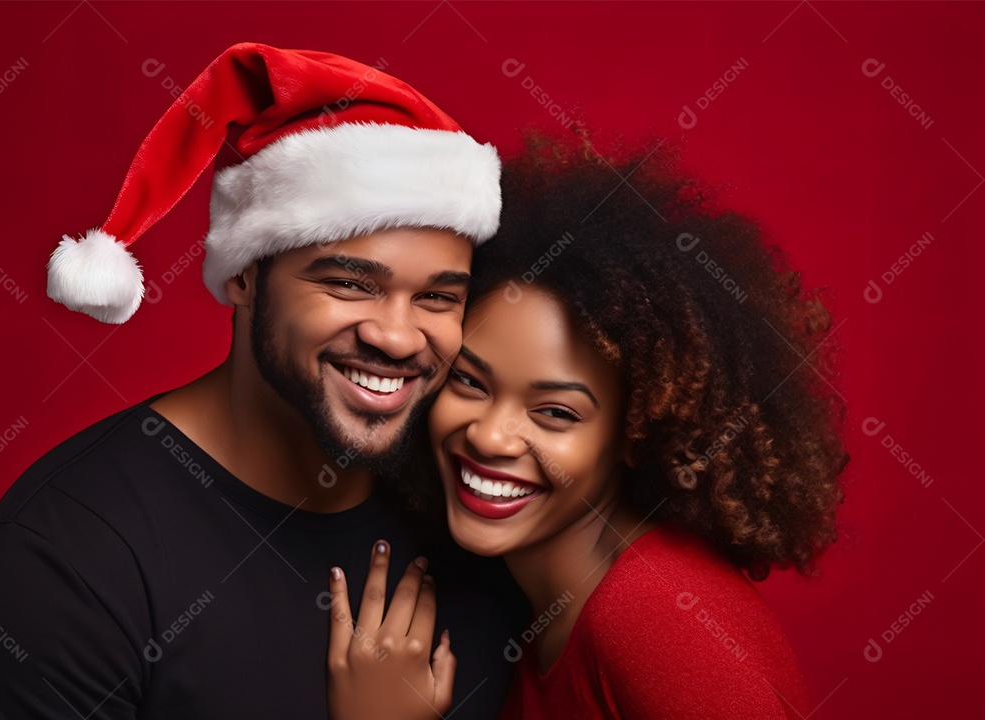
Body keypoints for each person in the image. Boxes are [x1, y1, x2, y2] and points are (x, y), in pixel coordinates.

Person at [0, 42, 528, 719]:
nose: (396, 337)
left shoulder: (482, 509)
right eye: (348, 283)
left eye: (437, 297)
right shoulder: (63, 566)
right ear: (246, 274)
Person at [326, 132, 848, 718]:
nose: (488, 436)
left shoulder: (657, 618)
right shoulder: (537, 606)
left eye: (555, 413)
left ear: (635, 435)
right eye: (470, 382)